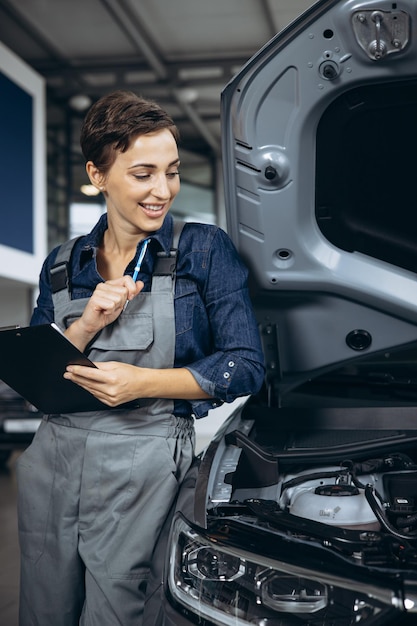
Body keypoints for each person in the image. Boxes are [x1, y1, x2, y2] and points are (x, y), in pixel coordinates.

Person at [16, 89, 265, 626]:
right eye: (143, 173)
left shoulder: (203, 249)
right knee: (43, 606)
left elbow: (244, 363)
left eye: (171, 172)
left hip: (145, 460)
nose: (162, 191)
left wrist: (141, 383)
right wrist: (84, 326)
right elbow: (37, 377)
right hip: (53, 458)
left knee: (120, 609)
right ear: (99, 175)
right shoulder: (62, 264)